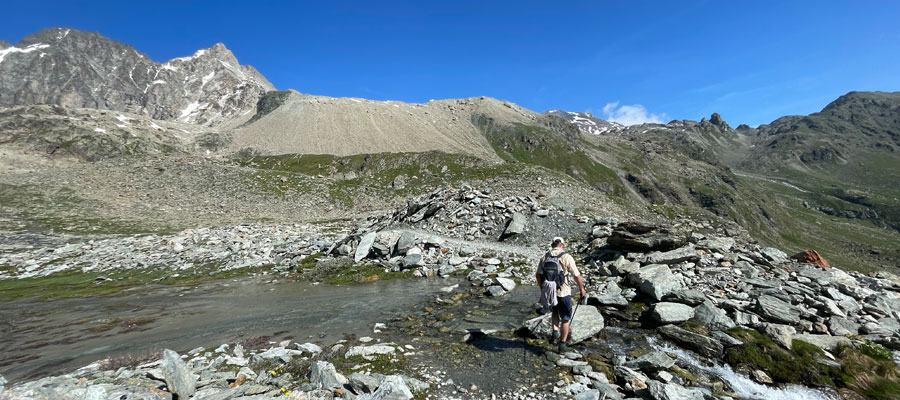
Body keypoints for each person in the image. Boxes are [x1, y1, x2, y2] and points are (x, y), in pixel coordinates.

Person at [536, 236, 586, 352]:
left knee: (554, 312)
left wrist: (542, 288)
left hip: (550, 291)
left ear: (552, 244)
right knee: (566, 318)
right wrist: (582, 289)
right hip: (563, 292)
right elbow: (576, 275)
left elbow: (538, 275)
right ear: (562, 245)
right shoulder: (566, 256)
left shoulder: (545, 256)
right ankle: (562, 345)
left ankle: (554, 333)